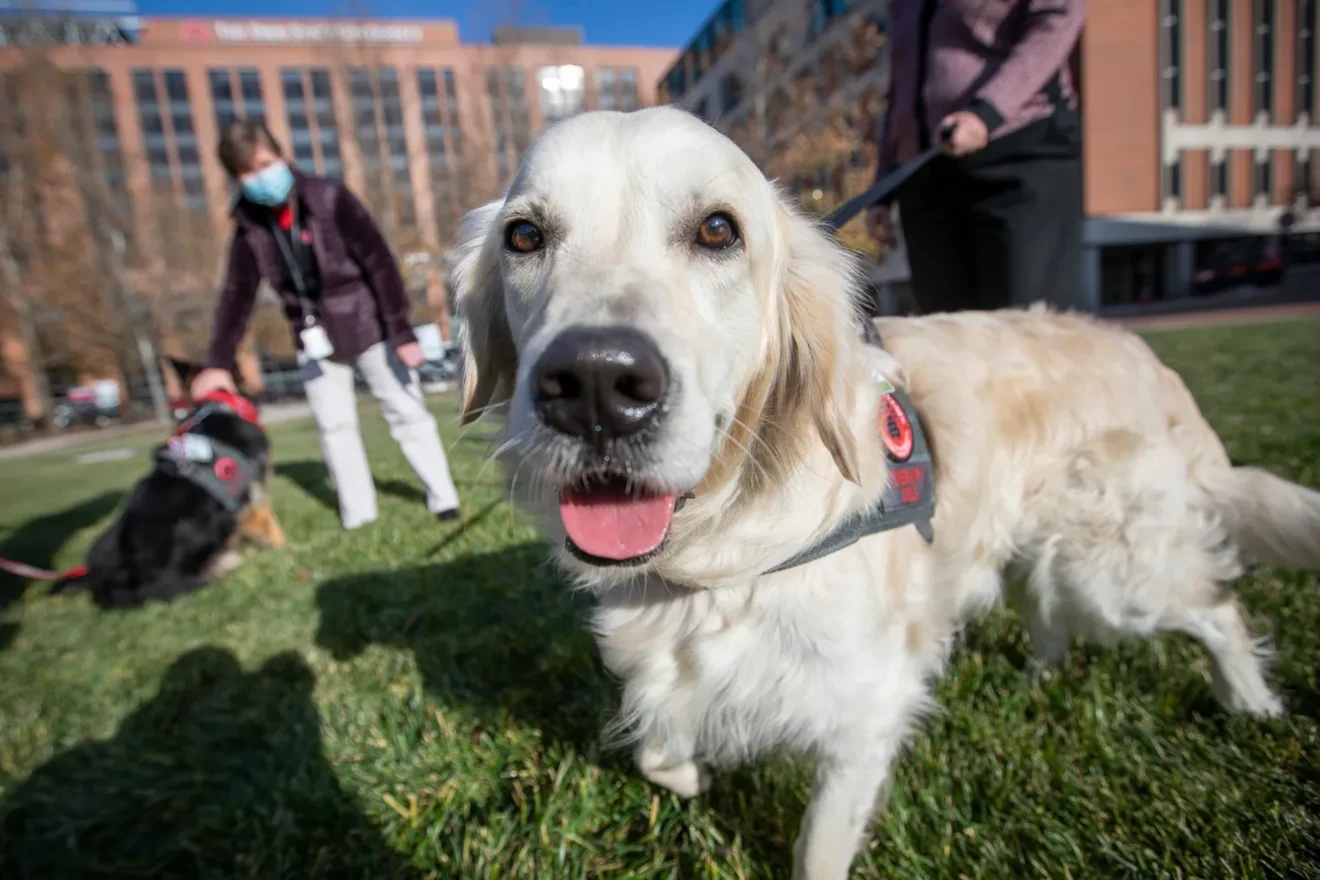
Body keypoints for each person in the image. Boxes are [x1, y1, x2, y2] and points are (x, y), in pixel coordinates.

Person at [191, 121, 460, 530]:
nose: (259, 177)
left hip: (370, 325)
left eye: (264, 163)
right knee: (334, 426)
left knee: (407, 411)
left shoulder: (329, 197)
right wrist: (217, 362)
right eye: (246, 172)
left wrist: (401, 331)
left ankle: (443, 498)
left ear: (281, 155)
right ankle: (359, 514)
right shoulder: (248, 228)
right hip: (311, 335)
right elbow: (236, 296)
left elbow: (380, 263)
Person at [868, 0, 1088, 313]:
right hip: (926, 176)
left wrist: (988, 112)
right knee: (946, 333)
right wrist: (884, 184)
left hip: (1018, 158)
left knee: (1027, 332)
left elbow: (1058, 19)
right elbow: (902, 81)